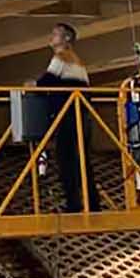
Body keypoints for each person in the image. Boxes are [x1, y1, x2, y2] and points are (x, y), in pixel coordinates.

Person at [35, 22, 100, 213]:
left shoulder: (62, 57)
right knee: (82, 161)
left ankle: (74, 204)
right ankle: (92, 203)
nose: (51, 37)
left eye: (55, 34)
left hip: (68, 117)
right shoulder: (78, 61)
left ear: (66, 38)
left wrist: (32, 85)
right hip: (81, 116)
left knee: (66, 161)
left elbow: (47, 81)